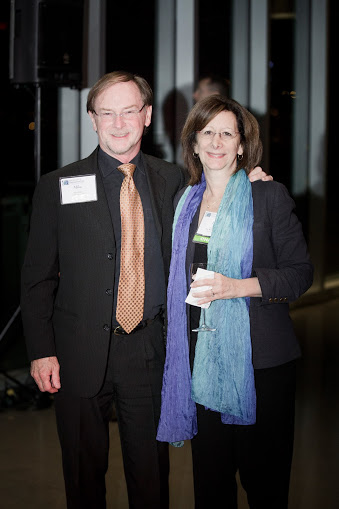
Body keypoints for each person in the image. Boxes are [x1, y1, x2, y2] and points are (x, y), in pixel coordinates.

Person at [20, 71, 270, 509]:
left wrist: (247, 185)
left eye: (130, 111)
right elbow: (37, 276)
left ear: (147, 116)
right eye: (107, 113)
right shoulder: (58, 185)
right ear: (93, 120)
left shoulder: (175, 181)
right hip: (76, 351)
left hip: (150, 349)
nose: (119, 123)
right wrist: (41, 350)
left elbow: (216, 198)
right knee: (82, 474)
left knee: (151, 476)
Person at [156, 95, 313, 508]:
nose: (216, 141)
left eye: (227, 133)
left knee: (265, 485)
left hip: (262, 364)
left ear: (242, 145)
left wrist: (235, 287)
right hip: (201, 362)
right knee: (211, 486)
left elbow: (300, 275)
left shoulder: (268, 196)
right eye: (207, 132)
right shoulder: (184, 204)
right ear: (192, 144)